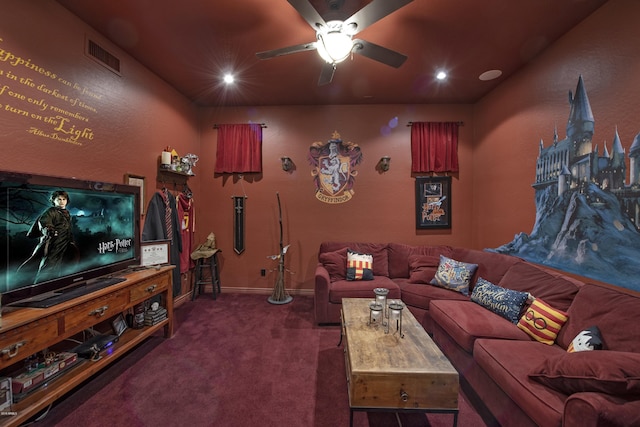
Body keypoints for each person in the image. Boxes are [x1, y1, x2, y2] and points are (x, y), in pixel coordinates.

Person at [19, 190, 77, 283]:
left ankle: (57, 285)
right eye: (59, 199)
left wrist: (71, 241)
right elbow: (44, 222)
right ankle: (38, 287)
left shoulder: (67, 213)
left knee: (65, 265)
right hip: (53, 243)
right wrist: (49, 229)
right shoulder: (51, 211)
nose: (62, 201)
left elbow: (68, 229)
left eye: (64, 199)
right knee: (48, 265)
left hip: (65, 243)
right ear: (54, 200)